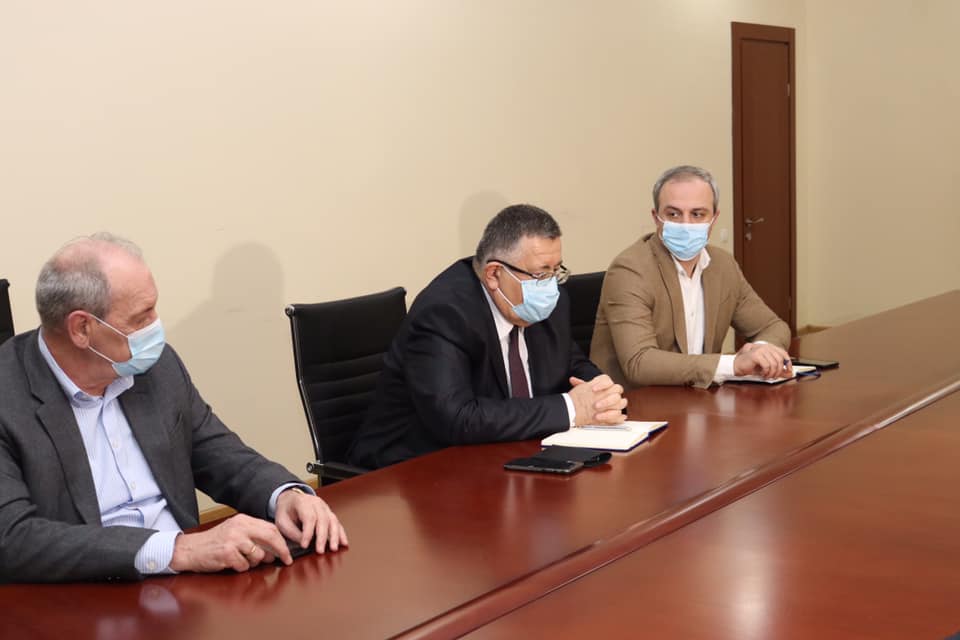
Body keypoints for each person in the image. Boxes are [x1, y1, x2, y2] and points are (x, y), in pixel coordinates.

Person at [0, 233, 347, 583]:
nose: (156, 327)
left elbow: (216, 450)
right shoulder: (8, 395)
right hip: (82, 591)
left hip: (186, 584)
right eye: (141, 317)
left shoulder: (155, 366)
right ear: (81, 328)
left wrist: (283, 494)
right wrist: (177, 550)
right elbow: (12, 538)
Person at [348, 204, 627, 469]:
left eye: (556, 271)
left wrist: (602, 396)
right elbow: (457, 417)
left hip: (504, 454)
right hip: (410, 469)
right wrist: (571, 408)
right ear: (494, 274)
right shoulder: (445, 313)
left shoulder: (550, 303)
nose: (551, 286)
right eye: (541, 274)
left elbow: (570, 362)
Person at [590, 165, 792, 389]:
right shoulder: (630, 270)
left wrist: (762, 350)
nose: (686, 224)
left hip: (696, 397)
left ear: (714, 218)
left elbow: (773, 326)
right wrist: (733, 365)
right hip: (635, 403)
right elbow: (640, 363)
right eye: (673, 214)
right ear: (656, 217)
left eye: (697, 214)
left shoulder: (723, 265)